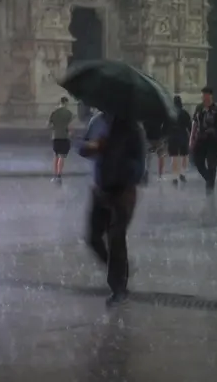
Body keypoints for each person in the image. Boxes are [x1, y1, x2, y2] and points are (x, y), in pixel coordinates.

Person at [79, 111, 145, 306]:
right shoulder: (96, 122)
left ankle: (118, 287)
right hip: (100, 189)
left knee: (116, 237)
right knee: (92, 237)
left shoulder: (132, 128)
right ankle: (117, 269)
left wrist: (117, 159)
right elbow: (82, 147)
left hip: (122, 192)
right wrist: (92, 147)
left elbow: (139, 165)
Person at [190, 86, 217, 194]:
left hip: (214, 140)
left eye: (205, 95)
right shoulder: (199, 108)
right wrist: (191, 139)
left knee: (212, 164)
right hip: (201, 140)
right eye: (202, 95)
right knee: (198, 162)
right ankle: (209, 179)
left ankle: (210, 186)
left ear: (210, 96)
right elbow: (195, 123)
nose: (203, 97)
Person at [48, 96, 74, 182]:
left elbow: (49, 125)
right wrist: (70, 133)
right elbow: (70, 126)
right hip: (64, 137)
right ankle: (59, 175)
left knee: (55, 155)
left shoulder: (54, 112)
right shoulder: (69, 113)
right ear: (66, 103)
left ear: (60, 102)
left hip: (55, 136)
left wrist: (55, 127)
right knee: (62, 156)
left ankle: (54, 175)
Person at [168, 95, 192, 186]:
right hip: (183, 136)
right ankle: (182, 173)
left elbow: (166, 126)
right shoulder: (185, 113)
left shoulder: (170, 113)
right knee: (184, 155)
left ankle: (174, 177)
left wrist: (165, 136)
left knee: (174, 157)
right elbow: (189, 126)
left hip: (173, 137)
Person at [142, 117, 167, 182]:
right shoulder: (159, 116)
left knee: (148, 157)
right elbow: (164, 126)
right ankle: (160, 175)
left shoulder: (146, 118)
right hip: (159, 138)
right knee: (161, 156)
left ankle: (146, 171)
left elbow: (144, 126)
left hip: (149, 138)